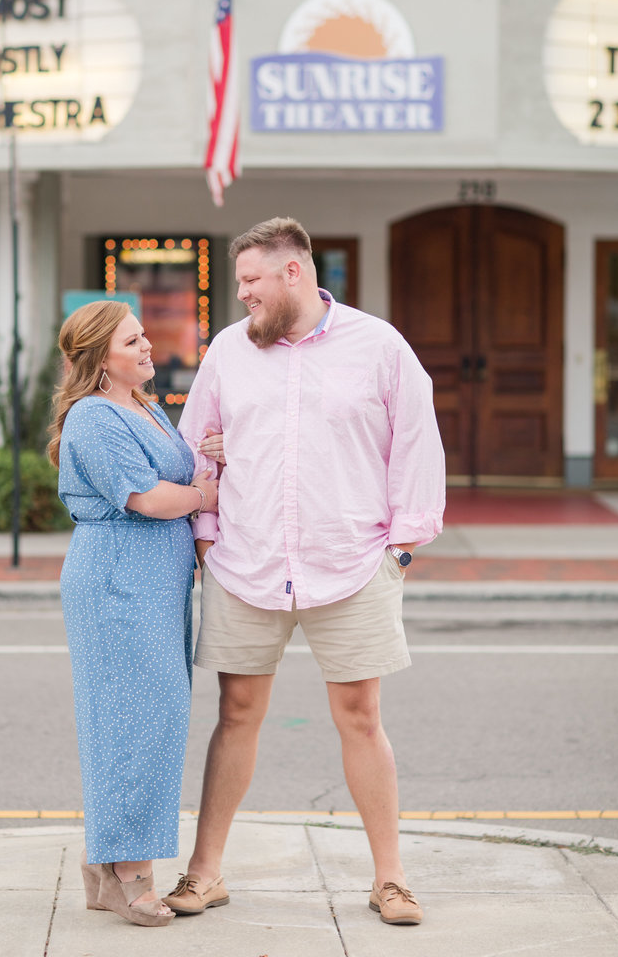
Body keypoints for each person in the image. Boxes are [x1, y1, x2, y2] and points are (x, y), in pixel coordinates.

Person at [164, 217, 445, 927]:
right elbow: (194, 447)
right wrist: (206, 538)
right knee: (235, 714)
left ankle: (391, 880)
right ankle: (205, 872)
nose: (242, 294)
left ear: (294, 272)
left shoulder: (380, 347)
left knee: (361, 717)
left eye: (251, 280)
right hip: (245, 564)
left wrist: (402, 546)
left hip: (350, 562)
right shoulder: (228, 351)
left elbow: (416, 440)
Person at [48, 300, 219, 928]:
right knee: (133, 722)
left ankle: (106, 866)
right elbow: (146, 498)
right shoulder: (95, 416)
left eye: (144, 335)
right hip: (117, 583)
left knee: (153, 717)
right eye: (131, 341)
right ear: (99, 359)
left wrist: (207, 455)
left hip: (154, 585)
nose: (148, 346)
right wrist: (204, 495)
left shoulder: (142, 405)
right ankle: (130, 874)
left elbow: (172, 472)